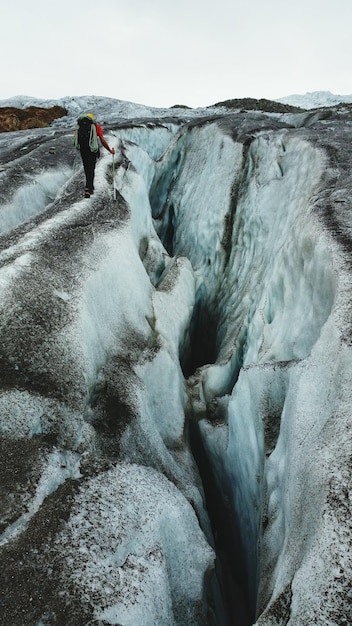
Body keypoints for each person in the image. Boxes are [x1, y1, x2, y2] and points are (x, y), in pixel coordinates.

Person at [74, 113, 115, 198]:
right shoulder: (96, 127)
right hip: (93, 150)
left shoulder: (79, 127)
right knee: (91, 168)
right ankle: (88, 189)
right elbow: (102, 140)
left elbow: (75, 138)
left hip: (83, 150)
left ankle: (89, 187)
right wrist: (110, 150)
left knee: (86, 168)